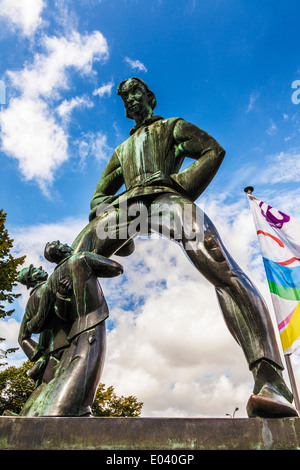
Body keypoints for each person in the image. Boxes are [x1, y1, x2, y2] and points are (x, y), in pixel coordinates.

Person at [71, 77, 298, 418]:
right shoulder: (121, 151)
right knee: (74, 260)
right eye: (124, 97)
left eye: (135, 92)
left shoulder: (172, 127)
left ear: (150, 97)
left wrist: (178, 185)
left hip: (167, 200)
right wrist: (122, 224)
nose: (130, 100)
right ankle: (61, 386)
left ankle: (270, 381)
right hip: (131, 211)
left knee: (216, 260)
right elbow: (99, 199)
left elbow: (212, 151)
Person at [19, 241, 123, 417]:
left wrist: (39, 354)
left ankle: (29, 419)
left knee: (49, 389)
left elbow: (57, 316)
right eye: (33, 270)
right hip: (75, 337)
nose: (38, 269)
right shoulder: (81, 260)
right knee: (72, 387)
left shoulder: (52, 281)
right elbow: (117, 269)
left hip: (68, 340)